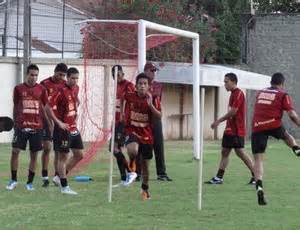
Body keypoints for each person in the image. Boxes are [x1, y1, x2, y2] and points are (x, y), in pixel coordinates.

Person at [6, 64, 67, 191]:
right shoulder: (18, 88)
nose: (34, 77)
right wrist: (15, 123)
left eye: (36, 75)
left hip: (37, 127)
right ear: (26, 74)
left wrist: (50, 123)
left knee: (34, 155)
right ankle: (13, 180)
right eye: (31, 75)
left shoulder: (41, 89)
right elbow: (16, 105)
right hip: (21, 126)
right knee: (15, 151)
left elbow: (46, 107)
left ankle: (29, 182)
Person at [251, 72, 300, 205]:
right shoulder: (283, 94)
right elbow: (292, 115)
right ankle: (296, 148)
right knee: (285, 135)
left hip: (257, 126)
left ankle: (259, 187)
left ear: (271, 82)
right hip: (274, 124)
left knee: (258, 160)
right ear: (282, 84)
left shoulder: (260, 93)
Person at [205, 73, 255, 185]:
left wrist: (218, 121)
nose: (225, 84)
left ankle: (256, 175)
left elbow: (233, 112)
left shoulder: (238, 94)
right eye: (224, 82)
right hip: (230, 129)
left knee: (240, 153)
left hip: (236, 130)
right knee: (225, 152)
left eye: (226, 82)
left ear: (233, 81)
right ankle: (219, 177)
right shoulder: (232, 94)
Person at [123, 73, 161, 200]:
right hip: (132, 130)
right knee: (132, 150)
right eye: (140, 84)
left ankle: (145, 189)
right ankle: (132, 168)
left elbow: (159, 116)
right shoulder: (130, 96)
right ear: (136, 85)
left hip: (146, 134)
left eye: (145, 84)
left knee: (146, 166)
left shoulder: (153, 98)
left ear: (149, 86)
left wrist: (151, 106)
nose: (142, 86)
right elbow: (122, 98)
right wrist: (122, 114)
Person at [54, 67, 84, 195]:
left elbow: (75, 99)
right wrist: (59, 123)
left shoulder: (76, 88)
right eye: (72, 78)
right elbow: (48, 107)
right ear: (67, 77)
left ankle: (58, 177)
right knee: (63, 157)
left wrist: (77, 103)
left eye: (77, 78)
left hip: (73, 127)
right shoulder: (60, 91)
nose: (75, 81)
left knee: (79, 155)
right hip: (64, 129)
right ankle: (64, 187)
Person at [40, 63, 68, 187]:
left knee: (58, 150)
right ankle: (44, 176)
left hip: (59, 121)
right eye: (59, 74)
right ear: (55, 71)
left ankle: (57, 176)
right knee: (47, 147)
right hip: (45, 119)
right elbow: (42, 105)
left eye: (63, 75)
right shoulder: (44, 84)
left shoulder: (65, 84)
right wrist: (48, 122)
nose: (61, 77)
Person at [143, 62, 172, 182]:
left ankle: (161, 173)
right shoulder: (140, 84)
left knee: (159, 146)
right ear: (145, 71)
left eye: (155, 71)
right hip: (144, 120)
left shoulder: (158, 85)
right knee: (144, 147)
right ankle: (139, 173)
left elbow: (157, 96)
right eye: (151, 70)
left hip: (156, 119)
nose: (154, 73)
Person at [111, 65, 136, 186]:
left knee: (114, 148)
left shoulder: (129, 85)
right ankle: (124, 178)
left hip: (124, 122)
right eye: (115, 75)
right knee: (115, 149)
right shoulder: (117, 86)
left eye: (119, 74)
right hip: (117, 122)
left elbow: (132, 102)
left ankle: (130, 172)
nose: (118, 77)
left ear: (123, 74)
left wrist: (123, 115)